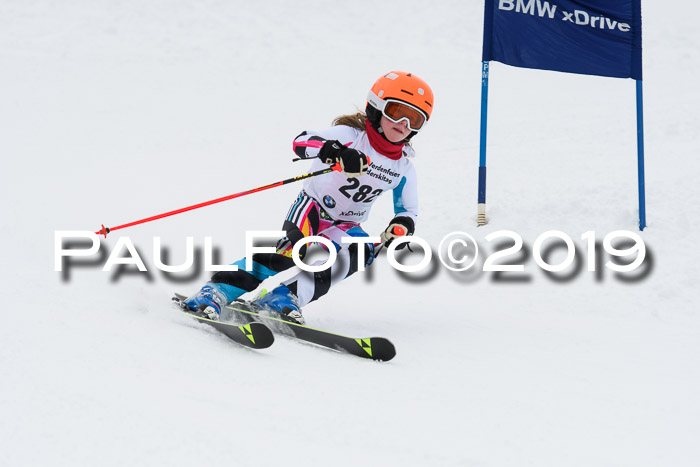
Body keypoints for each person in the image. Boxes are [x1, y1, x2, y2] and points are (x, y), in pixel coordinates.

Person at [182, 71, 434, 324]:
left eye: (415, 120)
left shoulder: (403, 168)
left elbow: (407, 211)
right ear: (376, 107)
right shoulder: (351, 136)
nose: (403, 124)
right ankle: (216, 291)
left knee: (361, 253)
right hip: (313, 208)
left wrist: (400, 226)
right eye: (396, 111)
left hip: (346, 224)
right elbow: (301, 142)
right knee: (291, 250)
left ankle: (282, 297)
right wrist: (333, 151)